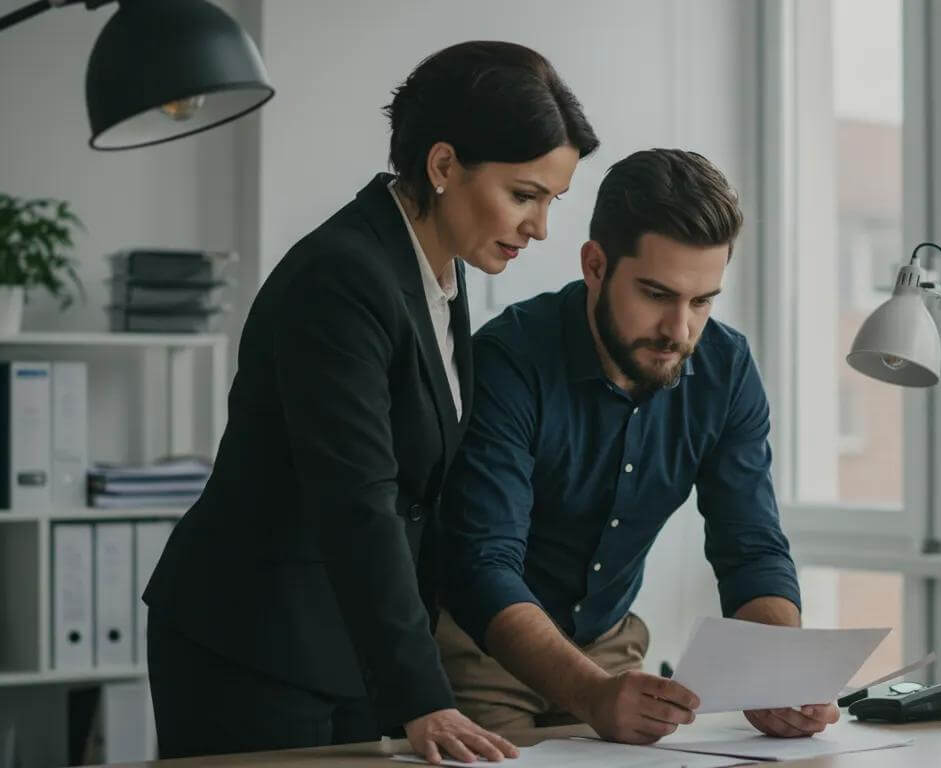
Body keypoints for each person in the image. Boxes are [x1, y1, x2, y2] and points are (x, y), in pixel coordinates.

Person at [141, 41, 597, 763]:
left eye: (551, 201)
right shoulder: (343, 277)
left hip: (345, 643)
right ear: (443, 166)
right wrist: (423, 694)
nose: (540, 227)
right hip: (254, 644)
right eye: (525, 195)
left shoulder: (437, 271)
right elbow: (359, 498)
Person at [437, 148, 841, 743]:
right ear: (595, 265)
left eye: (702, 301)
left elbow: (750, 546)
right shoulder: (508, 360)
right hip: (481, 652)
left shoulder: (725, 369)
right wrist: (591, 694)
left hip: (610, 647)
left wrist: (777, 673)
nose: (680, 331)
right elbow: (484, 564)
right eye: (657, 294)